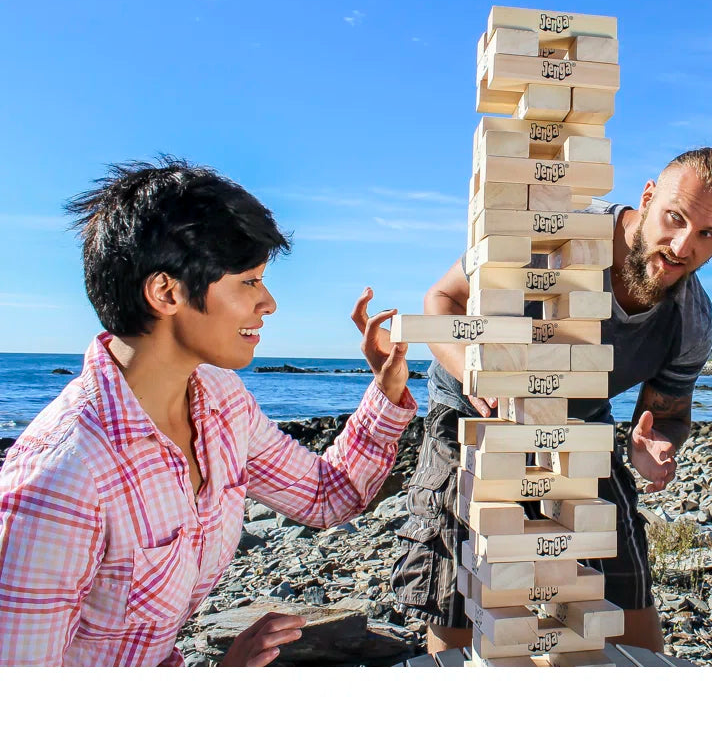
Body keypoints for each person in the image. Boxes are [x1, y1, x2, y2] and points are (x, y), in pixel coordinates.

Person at [0, 157, 416, 666]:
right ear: (167, 292)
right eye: (249, 281)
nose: (269, 303)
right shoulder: (61, 480)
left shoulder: (220, 401)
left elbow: (328, 496)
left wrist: (386, 388)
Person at [390, 147, 712, 654]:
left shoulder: (691, 319)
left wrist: (656, 443)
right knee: (461, 598)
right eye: (675, 218)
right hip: (475, 412)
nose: (684, 246)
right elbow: (441, 301)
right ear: (647, 198)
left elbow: (666, 414)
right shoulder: (550, 231)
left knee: (626, 602)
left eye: (710, 235)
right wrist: (475, 367)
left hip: (578, 425)